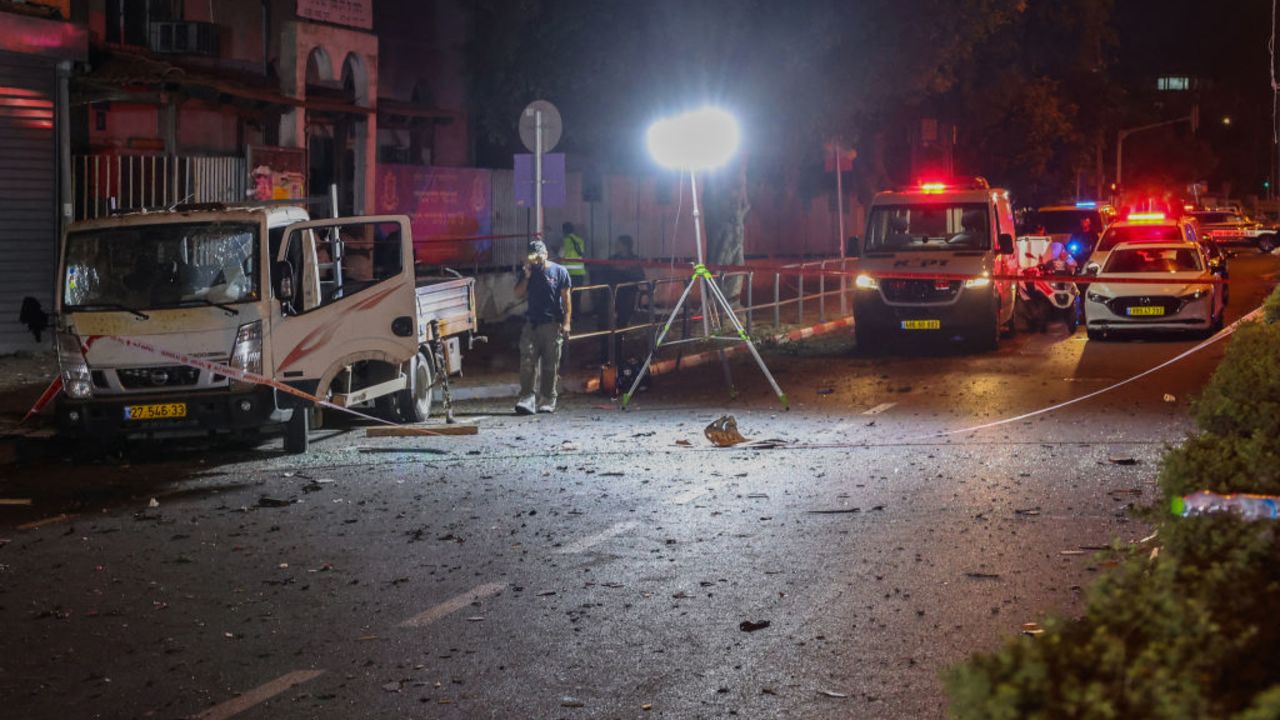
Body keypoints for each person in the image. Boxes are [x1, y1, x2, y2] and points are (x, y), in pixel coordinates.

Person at [513, 239, 572, 415]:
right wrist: (527, 276)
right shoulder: (527, 273)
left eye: (539, 256)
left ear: (546, 254)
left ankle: (547, 399)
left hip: (552, 323)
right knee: (527, 360)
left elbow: (567, 299)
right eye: (532, 256)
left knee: (550, 363)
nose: (536, 260)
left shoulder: (559, 272)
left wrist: (567, 322)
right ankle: (527, 398)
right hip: (532, 322)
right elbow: (518, 294)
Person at [598, 235, 646, 362]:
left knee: (621, 325)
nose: (616, 246)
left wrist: (624, 270)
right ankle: (605, 354)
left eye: (618, 244)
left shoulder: (634, 260)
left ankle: (618, 354)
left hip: (626, 296)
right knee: (605, 325)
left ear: (625, 245)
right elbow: (604, 274)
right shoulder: (612, 259)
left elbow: (640, 276)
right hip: (611, 296)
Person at [559, 222, 588, 316]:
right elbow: (581, 253)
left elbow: (561, 255)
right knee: (577, 296)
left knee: (567, 296)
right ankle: (576, 316)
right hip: (580, 273)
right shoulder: (580, 240)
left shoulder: (565, 240)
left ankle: (568, 316)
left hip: (568, 273)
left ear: (564, 230)